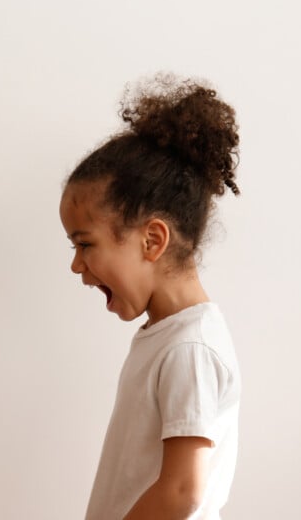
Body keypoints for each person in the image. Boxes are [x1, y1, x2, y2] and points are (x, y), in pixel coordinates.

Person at [59, 75, 242, 520]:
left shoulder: (189, 349)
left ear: (152, 240)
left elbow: (182, 489)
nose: (76, 265)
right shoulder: (169, 339)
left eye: (85, 244)